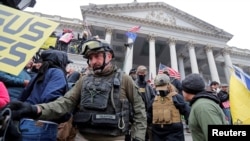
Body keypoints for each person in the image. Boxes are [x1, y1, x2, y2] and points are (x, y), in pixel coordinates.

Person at [6, 38, 147, 141]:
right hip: (82, 136)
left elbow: (139, 110)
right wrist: (35, 110)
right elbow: (65, 102)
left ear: (108, 56)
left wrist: (138, 137)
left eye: (97, 56)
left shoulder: (124, 79)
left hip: (114, 137)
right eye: (90, 58)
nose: (93, 62)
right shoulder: (84, 79)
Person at [18, 49, 71, 141]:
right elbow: (50, 99)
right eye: (66, 64)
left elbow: (23, 96)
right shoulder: (57, 73)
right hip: (42, 126)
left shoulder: (40, 74)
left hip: (26, 123)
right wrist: (66, 113)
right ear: (61, 62)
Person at [182, 73, 228, 141]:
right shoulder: (200, 104)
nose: (182, 92)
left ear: (188, 90)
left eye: (183, 89)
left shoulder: (202, 107)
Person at [149, 74, 190, 141]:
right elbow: (149, 115)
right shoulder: (154, 100)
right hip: (157, 134)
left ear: (169, 85)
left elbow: (187, 111)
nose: (161, 90)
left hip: (174, 134)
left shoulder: (176, 97)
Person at [134, 65, 155, 141]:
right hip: (137, 115)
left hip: (148, 114)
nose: (142, 75)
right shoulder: (133, 85)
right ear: (137, 73)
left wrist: (149, 110)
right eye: (140, 73)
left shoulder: (148, 86)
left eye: (144, 73)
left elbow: (153, 97)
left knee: (149, 135)